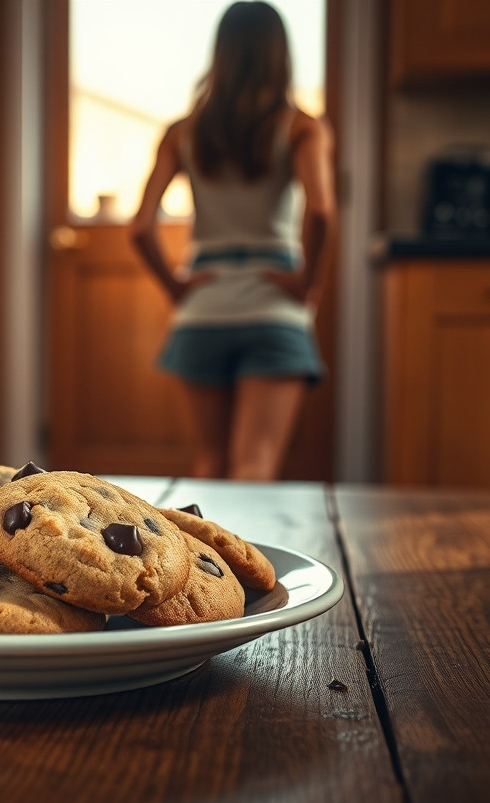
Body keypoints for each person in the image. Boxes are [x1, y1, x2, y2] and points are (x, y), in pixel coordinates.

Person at [128, 0, 337, 482]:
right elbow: (323, 211)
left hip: (203, 311)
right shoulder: (303, 128)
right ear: (279, 55)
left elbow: (139, 228)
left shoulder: (182, 133)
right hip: (273, 310)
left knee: (210, 464)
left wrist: (176, 288)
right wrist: (309, 282)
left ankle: (205, 561)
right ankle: (248, 561)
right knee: (254, 465)